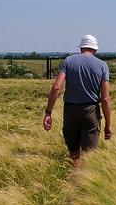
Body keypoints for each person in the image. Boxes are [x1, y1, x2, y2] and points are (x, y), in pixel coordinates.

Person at [43, 34, 112, 163]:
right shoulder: (103, 66)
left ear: (81, 48)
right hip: (90, 111)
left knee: (74, 153)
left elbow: (56, 87)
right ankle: (81, 180)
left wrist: (48, 113)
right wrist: (108, 124)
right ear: (95, 50)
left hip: (70, 111)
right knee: (88, 156)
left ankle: (72, 176)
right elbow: (105, 99)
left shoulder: (68, 61)